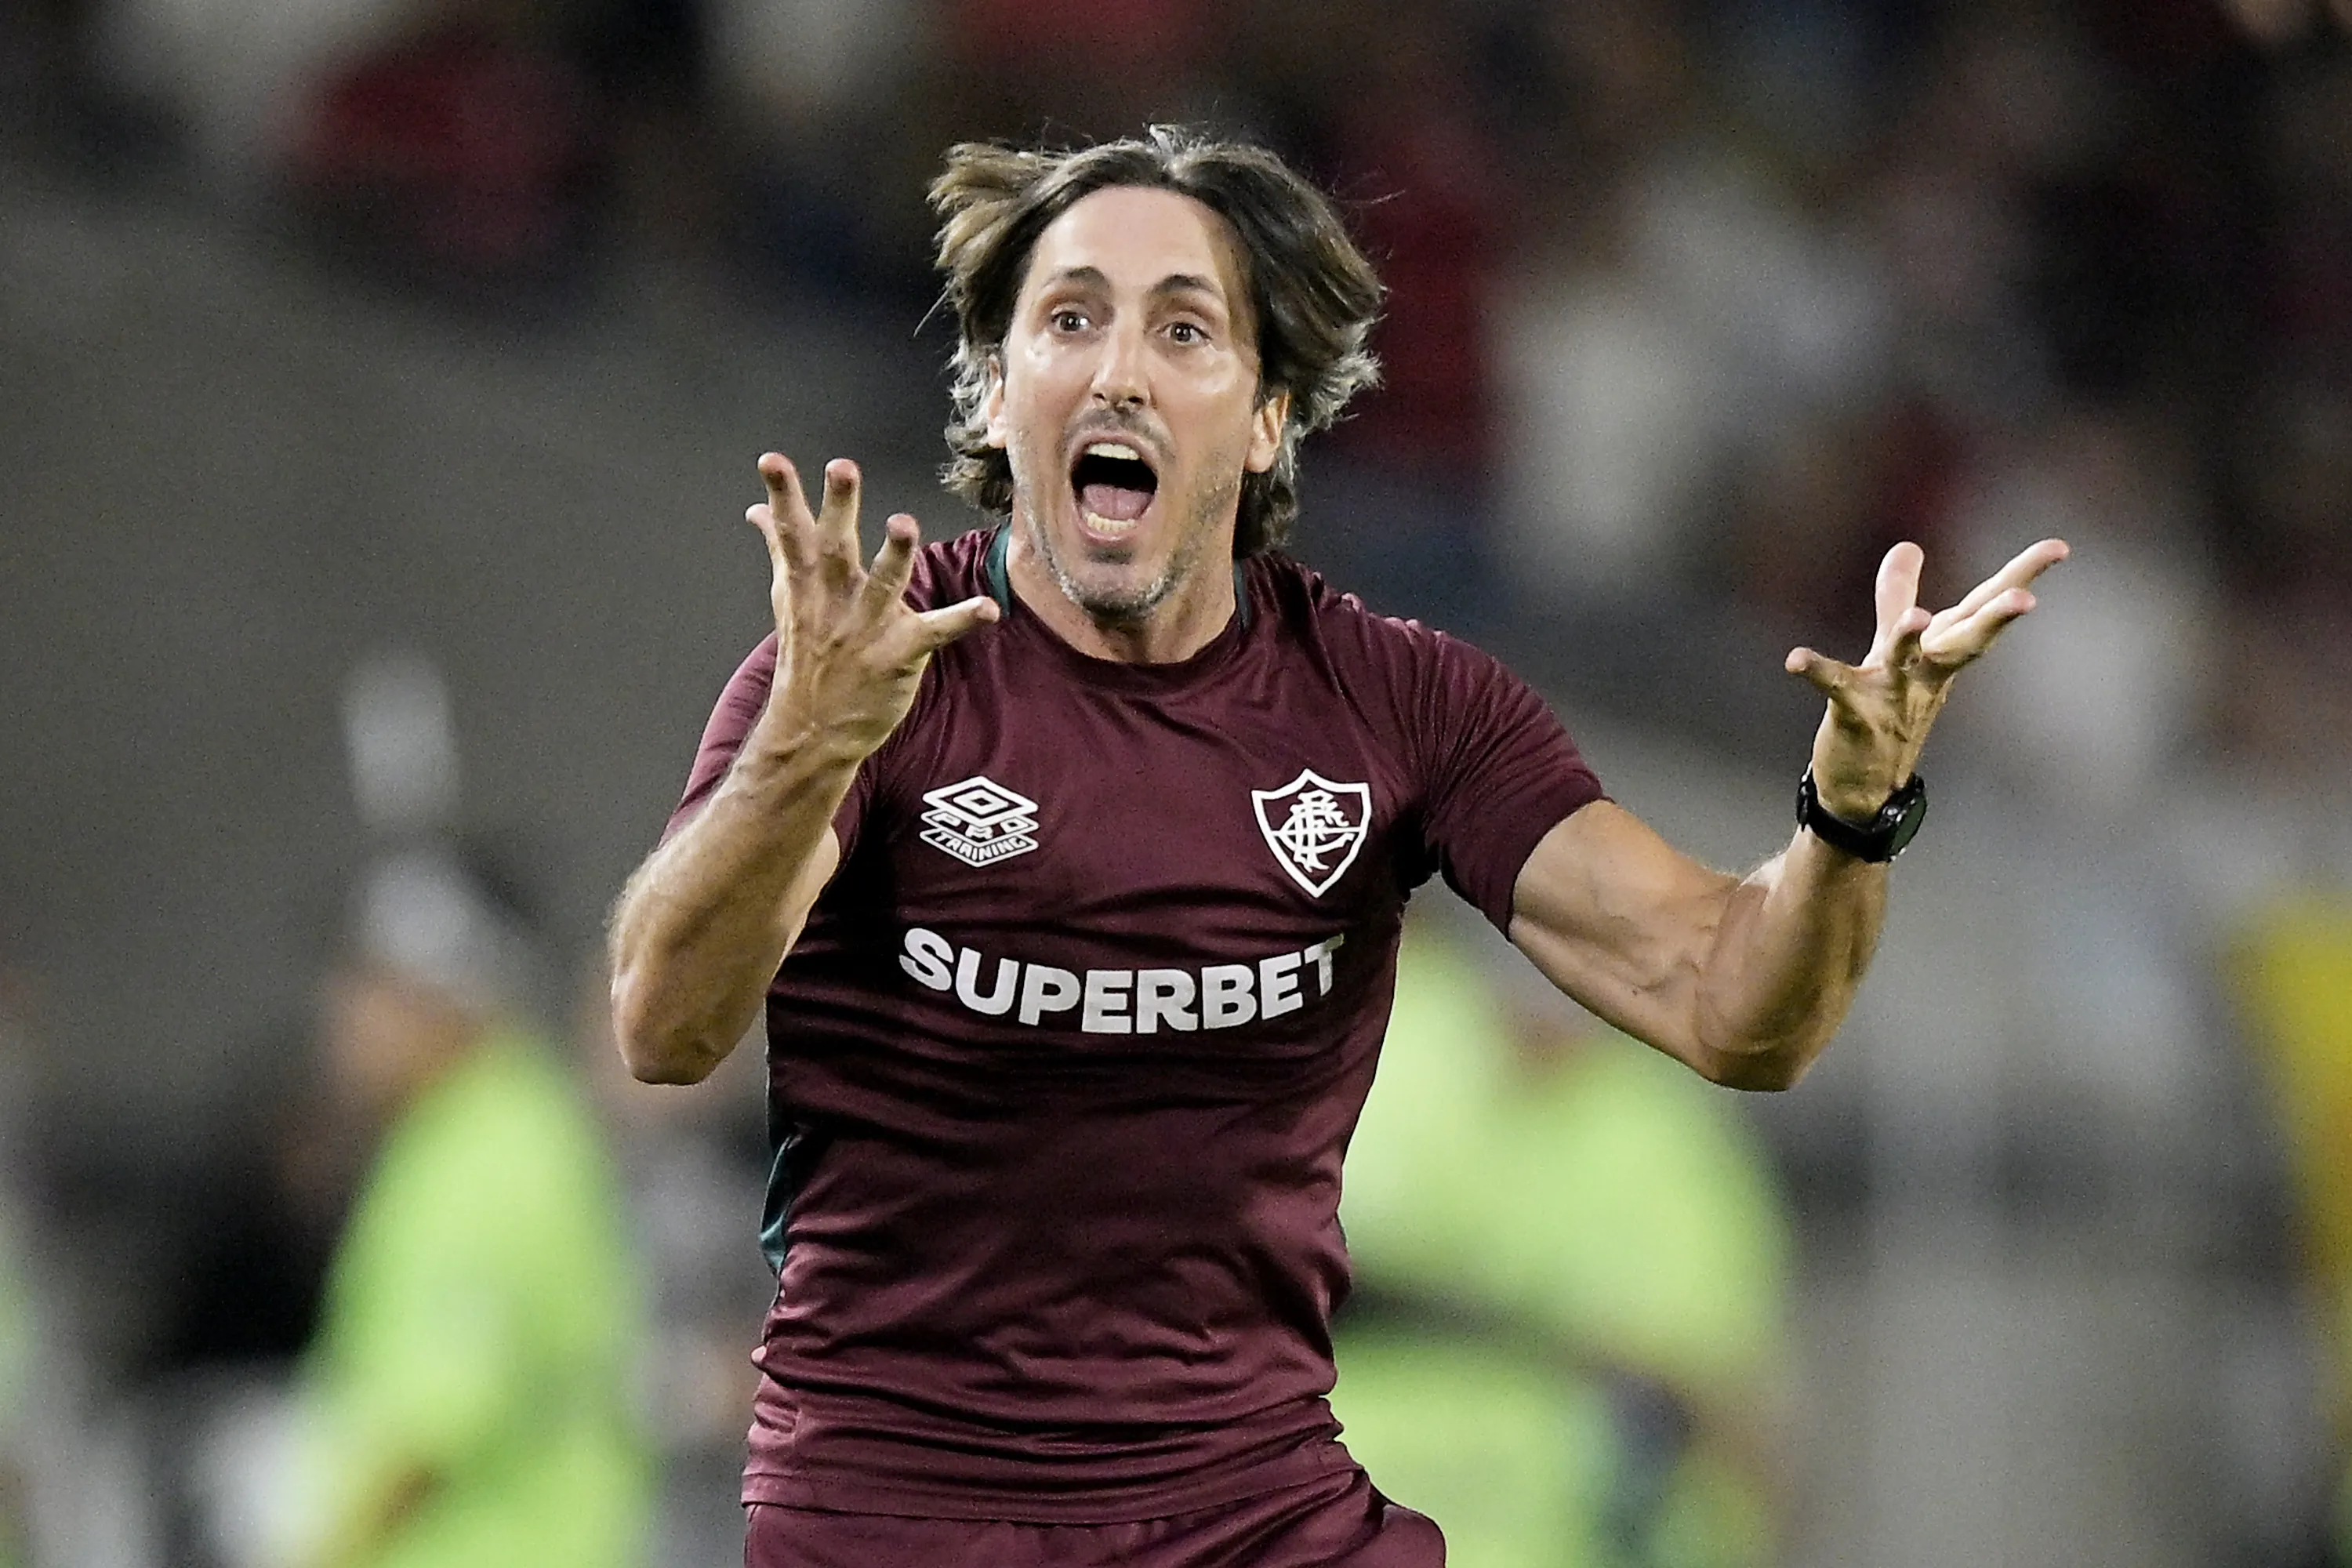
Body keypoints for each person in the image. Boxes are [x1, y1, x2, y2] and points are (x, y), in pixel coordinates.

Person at [606, 125, 2067, 1567]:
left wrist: (1853, 811)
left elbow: (1735, 1006)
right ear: (997, 396)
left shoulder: (1399, 706)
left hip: (1253, 1518)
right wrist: (805, 753)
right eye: (1068, 321)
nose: (1117, 369)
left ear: (1265, 418)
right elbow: (664, 1027)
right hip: (909, 1521)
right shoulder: (873, 676)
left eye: (1184, 329)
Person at [285, 849, 652, 1568]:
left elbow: (428, 1432)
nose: (343, 1013)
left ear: (449, 998)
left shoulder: (493, 1163)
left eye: (374, 986)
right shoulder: (474, 1134)